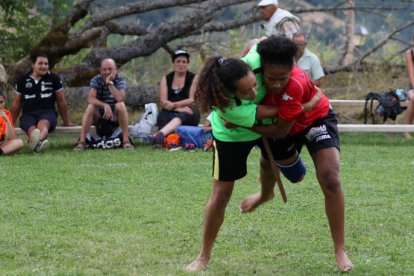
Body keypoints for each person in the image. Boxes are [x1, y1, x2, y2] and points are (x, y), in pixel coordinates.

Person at [241, 36, 353, 272]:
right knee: (289, 171)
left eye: (282, 78)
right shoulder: (252, 73)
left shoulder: (295, 83)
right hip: (282, 121)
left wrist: (244, 124)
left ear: (292, 69)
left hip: (314, 119)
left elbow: (280, 132)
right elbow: (251, 46)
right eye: (271, 79)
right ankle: (265, 193)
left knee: (330, 178)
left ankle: (340, 249)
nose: (276, 84)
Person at [11, 53, 73, 152]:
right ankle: (38, 143)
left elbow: (61, 101)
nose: (44, 66)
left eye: (46, 64)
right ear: (33, 65)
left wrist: (67, 122)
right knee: (31, 129)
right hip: (28, 114)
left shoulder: (54, 79)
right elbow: (16, 103)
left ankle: (35, 142)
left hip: (47, 112)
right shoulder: (22, 80)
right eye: (40, 63)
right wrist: (11, 123)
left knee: (43, 125)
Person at [73, 58, 134, 151]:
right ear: (100, 71)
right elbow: (90, 98)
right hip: (99, 117)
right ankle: (82, 142)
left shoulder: (120, 80)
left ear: (115, 70)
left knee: (121, 105)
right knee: (91, 106)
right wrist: (105, 105)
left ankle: (126, 141)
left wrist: (109, 83)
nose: (107, 72)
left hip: (115, 117)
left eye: (110, 69)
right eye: (104, 69)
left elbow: (120, 98)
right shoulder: (96, 80)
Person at [153, 50, 200, 147]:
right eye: (178, 61)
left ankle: (159, 135)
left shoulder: (194, 78)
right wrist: (177, 107)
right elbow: (163, 102)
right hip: (170, 110)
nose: (181, 64)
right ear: (173, 63)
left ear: (187, 64)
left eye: (184, 62)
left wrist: (173, 106)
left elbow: (192, 100)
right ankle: (164, 140)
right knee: (163, 117)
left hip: (189, 111)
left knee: (182, 116)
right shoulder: (166, 79)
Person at [0, 90, 24, 156]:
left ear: (4, 102)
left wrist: (6, 119)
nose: (0, 105)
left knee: (19, 142)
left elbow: (11, 139)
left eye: (1, 102)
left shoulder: (6, 113)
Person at [403, 49, 414, 138]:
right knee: (413, 98)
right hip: (413, 86)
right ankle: (406, 132)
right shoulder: (410, 53)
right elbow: (412, 74)